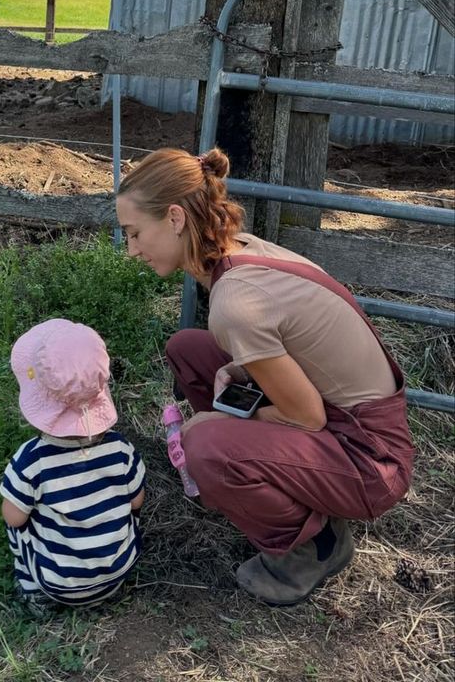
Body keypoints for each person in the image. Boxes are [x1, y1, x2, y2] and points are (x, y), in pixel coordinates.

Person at [115, 146, 414, 607]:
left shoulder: (235, 303)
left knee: (206, 447)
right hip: (349, 421)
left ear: (174, 218)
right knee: (189, 351)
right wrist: (236, 373)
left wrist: (217, 424)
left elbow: (308, 416)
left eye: (134, 233)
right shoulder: (243, 251)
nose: (132, 249)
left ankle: (313, 549)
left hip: (371, 461)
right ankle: (284, 489)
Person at [0, 318, 145, 612]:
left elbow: (13, 518)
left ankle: (33, 592)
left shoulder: (31, 460)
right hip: (119, 570)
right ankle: (107, 586)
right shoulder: (121, 448)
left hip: (57, 583)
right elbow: (136, 501)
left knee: (17, 530)